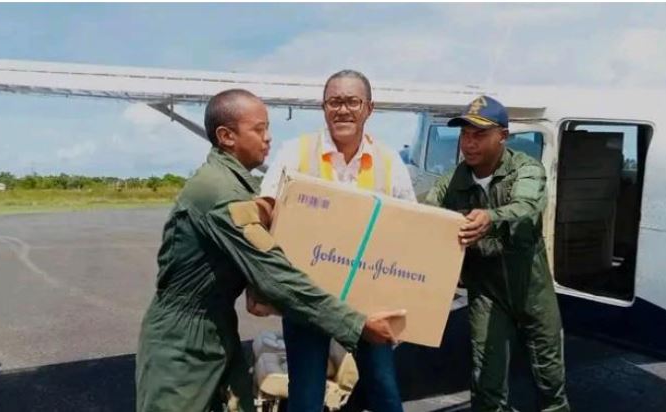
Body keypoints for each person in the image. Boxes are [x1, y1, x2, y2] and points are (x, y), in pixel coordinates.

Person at [135, 88, 405, 412]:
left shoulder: (242, 185)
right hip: (182, 342)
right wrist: (357, 325)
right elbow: (275, 273)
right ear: (227, 136)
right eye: (259, 129)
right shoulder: (220, 193)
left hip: (216, 328)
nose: (268, 139)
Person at [259, 70, 415, 412]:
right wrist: (260, 287)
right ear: (323, 107)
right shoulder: (294, 153)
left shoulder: (391, 164)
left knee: (385, 390)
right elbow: (265, 215)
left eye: (352, 102)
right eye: (334, 102)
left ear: (369, 109)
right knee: (306, 395)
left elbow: (410, 232)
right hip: (309, 298)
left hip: (369, 303)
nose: (342, 110)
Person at [425, 96, 569, 412]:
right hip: (487, 293)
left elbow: (528, 206)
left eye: (479, 135)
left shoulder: (526, 170)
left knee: (550, 381)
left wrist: (490, 218)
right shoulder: (452, 183)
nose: (469, 144)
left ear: (502, 136)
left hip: (532, 290)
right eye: (465, 135)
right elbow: (421, 214)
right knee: (486, 383)